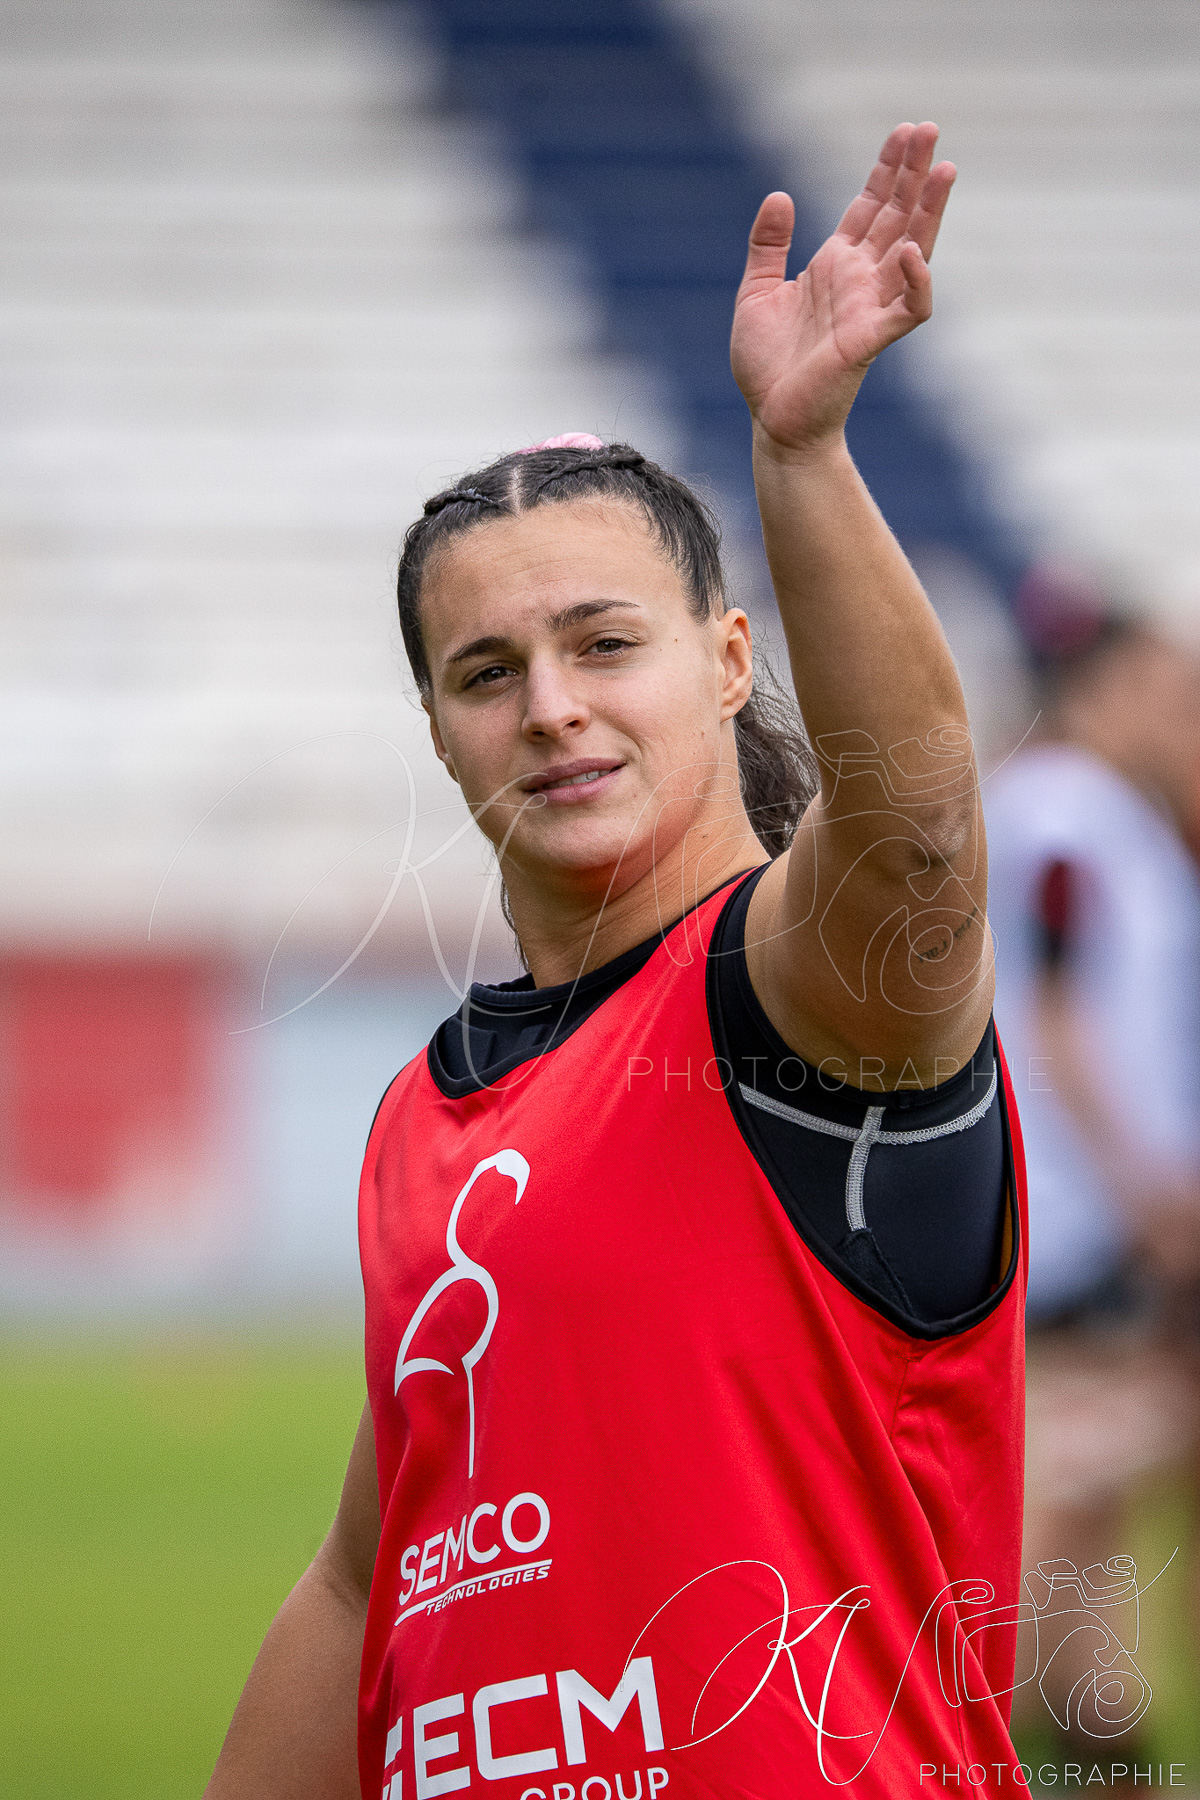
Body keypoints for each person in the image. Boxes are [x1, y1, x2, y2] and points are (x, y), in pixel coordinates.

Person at [206, 123, 1027, 1799]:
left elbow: (919, 842)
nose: (551, 707)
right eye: (486, 672)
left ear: (726, 662)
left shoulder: (790, 1001)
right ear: (439, 730)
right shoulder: (424, 1114)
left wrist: (802, 457)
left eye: (603, 644)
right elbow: (364, 1574)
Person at [985, 600, 1200, 1755]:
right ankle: (971, 1717)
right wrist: (1145, 1185)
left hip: (1067, 1197)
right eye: (1165, 692)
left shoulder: (1078, 813)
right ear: (1097, 689)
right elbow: (1064, 1019)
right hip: (1080, 1207)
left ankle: (1096, 1731)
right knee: (1079, 1463)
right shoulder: (1072, 818)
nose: (1181, 716)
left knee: (1088, 1494)